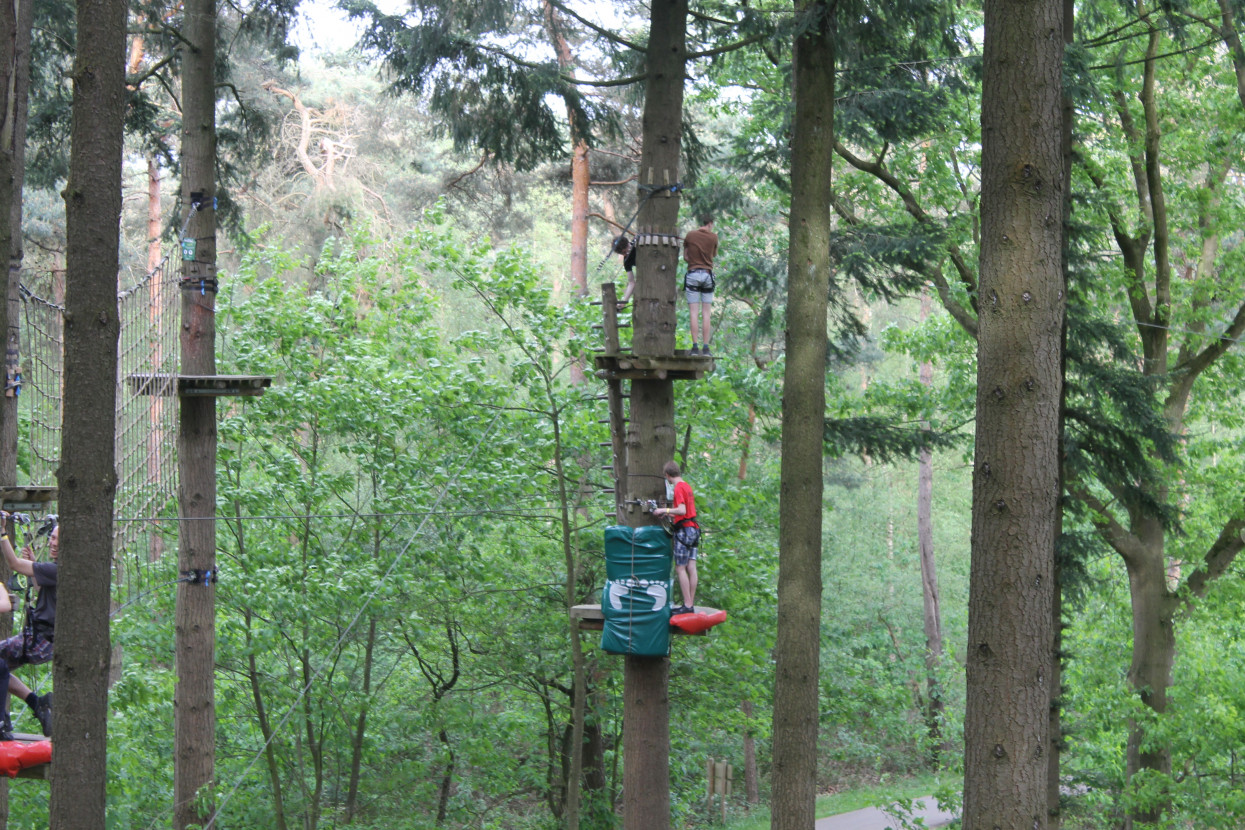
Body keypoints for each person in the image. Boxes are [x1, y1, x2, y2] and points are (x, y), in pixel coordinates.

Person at [0, 514, 54, 737]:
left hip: (39, 641)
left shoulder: (57, 569)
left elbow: (13, 564)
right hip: (43, 640)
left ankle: (3, 722)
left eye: (57, 539)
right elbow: (44, 594)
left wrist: (3, 533)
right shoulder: (58, 570)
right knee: (1, 668)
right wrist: (36, 571)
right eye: (52, 538)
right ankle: (37, 703)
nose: (53, 543)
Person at [652, 461, 700, 614]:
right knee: (691, 567)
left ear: (667, 476)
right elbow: (685, 512)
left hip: (684, 531)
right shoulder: (686, 486)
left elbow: (681, 509)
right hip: (693, 529)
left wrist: (663, 509)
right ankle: (690, 604)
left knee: (680, 568)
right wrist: (665, 513)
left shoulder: (678, 488)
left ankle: (687, 605)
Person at [682, 214, 718, 356]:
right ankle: (706, 348)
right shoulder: (714, 237)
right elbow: (713, 255)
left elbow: (686, 256)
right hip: (708, 276)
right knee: (706, 313)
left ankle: (695, 348)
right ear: (710, 222)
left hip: (692, 274)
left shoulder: (690, 235)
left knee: (693, 313)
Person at [613, 234, 637, 309]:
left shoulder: (637, 243)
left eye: (625, 251)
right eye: (622, 253)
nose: (625, 254)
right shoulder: (627, 261)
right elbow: (631, 283)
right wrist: (623, 302)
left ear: (628, 244)